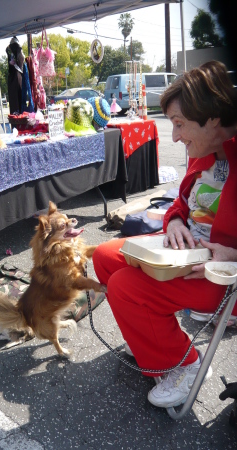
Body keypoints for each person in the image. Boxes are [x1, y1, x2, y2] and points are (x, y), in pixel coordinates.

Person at [92, 60, 237, 409]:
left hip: (222, 274)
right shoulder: (204, 151)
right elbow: (180, 204)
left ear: (213, 118)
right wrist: (173, 222)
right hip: (185, 253)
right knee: (104, 256)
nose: (174, 137)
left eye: (179, 124)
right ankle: (155, 339)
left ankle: (185, 363)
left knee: (125, 286)